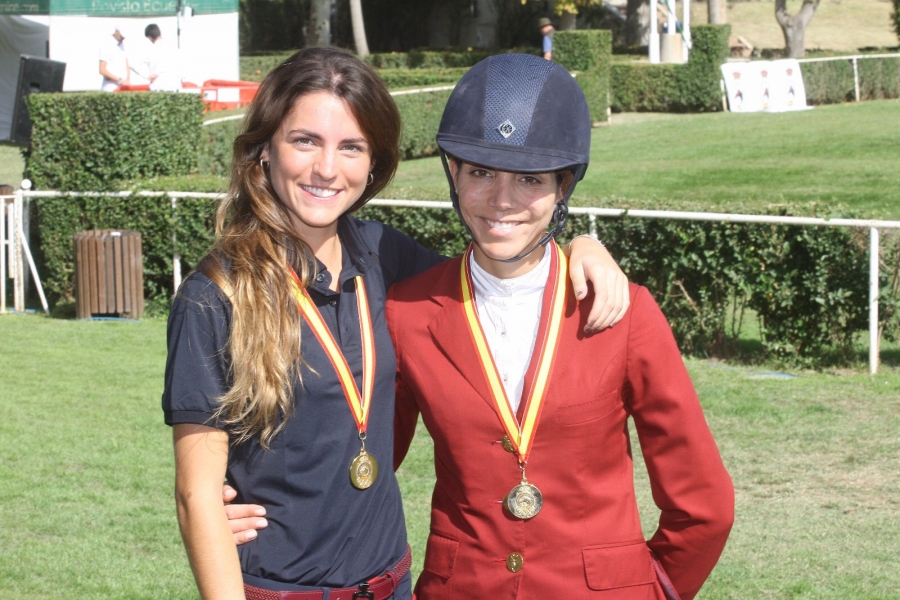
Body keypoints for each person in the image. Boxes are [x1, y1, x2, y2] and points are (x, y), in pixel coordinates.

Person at [226, 54, 734, 599]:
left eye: (530, 179)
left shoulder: (622, 312)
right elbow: (360, 453)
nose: (502, 200)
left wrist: (647, 590)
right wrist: (242, 500)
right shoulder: (410, 310)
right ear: (454, 174)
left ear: (564, 187)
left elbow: (704, 507)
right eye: (481, 172)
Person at [164, 47, 629, 600]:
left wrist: (581, 244)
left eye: (351, 147)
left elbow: (501, 275)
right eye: (305, 140)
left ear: (374, 163)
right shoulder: (213, 296)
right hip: (278, 589)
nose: (327, 169)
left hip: (393, 585)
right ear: (264, 150)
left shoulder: (386, 254)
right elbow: (198, 497)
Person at [132, 23, 182, 91]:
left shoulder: (151, 50)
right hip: (175, 84)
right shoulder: (174, 48)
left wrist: (146, 76)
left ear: (149, 37)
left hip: (158, 85)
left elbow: (133, 64)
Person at [99, 24, 129, 91]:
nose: (123, 38)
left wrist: (127, 80)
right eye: (121, 36)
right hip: (110, 86)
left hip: (123, 86)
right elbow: (102, 70)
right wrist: (120, 80)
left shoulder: (123, 45)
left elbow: (126, 64)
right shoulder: (106, 45)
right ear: (116, 31)